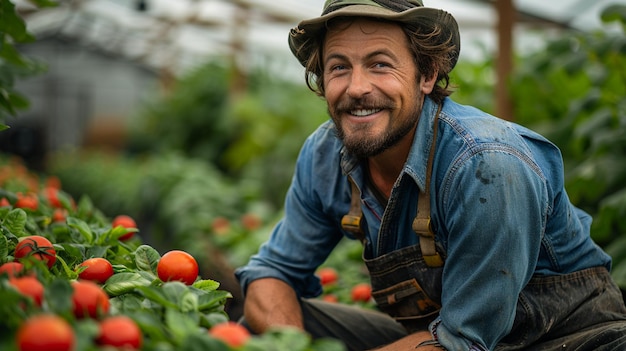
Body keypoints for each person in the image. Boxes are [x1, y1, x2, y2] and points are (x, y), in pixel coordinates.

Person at [234, 0, 626, 350]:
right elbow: (273, 272)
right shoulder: (326, 155)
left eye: (379, 64)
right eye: (339, 67)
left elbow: (461, 344)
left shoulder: (486, 165)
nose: (355, 88)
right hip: (439, 335)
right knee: (260, 325)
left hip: (566, 339)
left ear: (426, 75)